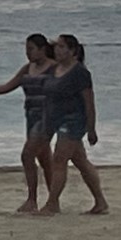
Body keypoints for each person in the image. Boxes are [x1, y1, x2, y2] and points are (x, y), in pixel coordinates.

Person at [0, 34, 56, 213]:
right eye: (26, 50)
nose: (28, 53)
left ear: (42, 49)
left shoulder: (54, 69)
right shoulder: (27, 69)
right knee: (45, 159)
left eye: (31, 49)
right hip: (31, 117)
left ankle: (32, 199)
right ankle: (53, 200)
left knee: (27, 155)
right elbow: (7, 86)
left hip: (47, 118)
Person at [38, 33, 108, 216]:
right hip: (57, 120)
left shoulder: (80, 73)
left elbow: (89, 102)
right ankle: (100, 202)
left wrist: (91, 128)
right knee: (81, 162)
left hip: (73, 121)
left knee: (59, 160)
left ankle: (52, 204)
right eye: (57, 46)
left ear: (73, 51)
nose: (58, 50)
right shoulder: (55, 69)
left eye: (62, 47)